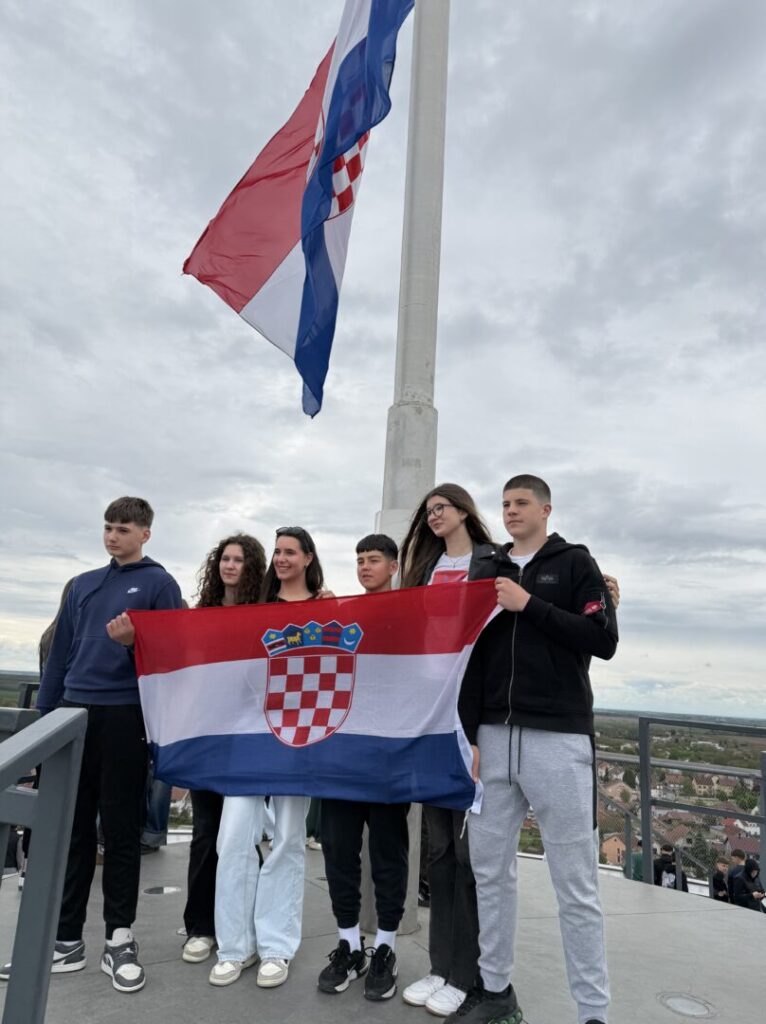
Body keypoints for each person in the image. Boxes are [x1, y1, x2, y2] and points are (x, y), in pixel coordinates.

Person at [399, 483, 620, 1020]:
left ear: (545, 509)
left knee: (575, 884)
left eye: (521, 503)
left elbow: (602, 639)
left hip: (558, 739)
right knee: (490, 874)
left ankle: (593, 1011)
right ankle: (496, 992)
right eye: (505, 504)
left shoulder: (574, 564)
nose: (511, 511)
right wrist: (470, 734)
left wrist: (529, 604)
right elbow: (469, 656)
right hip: (494, 737)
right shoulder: (488, 569)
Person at [1, 497, 182, 995]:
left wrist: (133, 644)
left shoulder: (160, 584)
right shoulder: (81, 584)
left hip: (125, 716)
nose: (112, 536)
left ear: (145, 533)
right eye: (108, 528)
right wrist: (45, 724)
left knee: (121, 831)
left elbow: (174, 656)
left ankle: (119, 939)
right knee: (73, 831)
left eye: (123, 529)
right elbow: (59, 654)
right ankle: (65, 940)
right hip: (72, 715)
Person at [210, 527, 325, 989]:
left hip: (300, 736)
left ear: (308, 557)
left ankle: (276, 946)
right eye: (276, 551)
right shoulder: (255, 608)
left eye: (290, 552)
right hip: (250, 734)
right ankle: (234, 946)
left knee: (288, 839)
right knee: (233, 838)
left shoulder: (326, 608)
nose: (281, 558)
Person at [318, 533, 408, 1002]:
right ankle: (349, 945)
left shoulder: (410, 614)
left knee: (389, 854)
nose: (365, 567)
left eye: (373, 560)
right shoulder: (343, 615)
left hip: (389, 756)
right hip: (342, 754)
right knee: (339, 851)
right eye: (359, 560)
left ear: (393, 566)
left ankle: (386, 947)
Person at [180, 533, 267, 965]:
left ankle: (244, 923)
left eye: (239, 560)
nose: (230, 566)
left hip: (249, 739)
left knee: (242, 836)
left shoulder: (265, 615)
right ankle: (200, 926)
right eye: (225, 559)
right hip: (207, 737)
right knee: (205, 831)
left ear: (252, 568)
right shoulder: (202, 616)